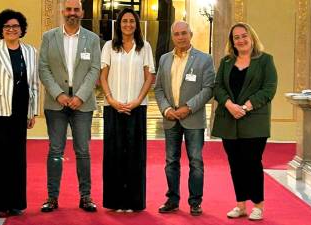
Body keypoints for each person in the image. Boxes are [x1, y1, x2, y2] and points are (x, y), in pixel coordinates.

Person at [0, 9, 39, 218]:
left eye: (15, 27)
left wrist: (33, 111)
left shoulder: (30, 51)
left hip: (19, 112)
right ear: (1, 29)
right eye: (7, 27)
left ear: (22, 30)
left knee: (16, 159)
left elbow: (34, 84)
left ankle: (15, 203)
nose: (12, 30)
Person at [39, 0, 101, 213]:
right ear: (62, 11)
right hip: (56, 104)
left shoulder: (92, 39)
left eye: (76, 9)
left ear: (82, 12)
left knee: (83, 151)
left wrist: (80, 97)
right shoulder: (49, 37)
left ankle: (85, 196)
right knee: (55, 150)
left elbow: (94, 69)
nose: (72, 13)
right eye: (68, 9)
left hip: (82, 105)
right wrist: (59, 94)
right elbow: (43, 69)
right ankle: (52, 197)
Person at [211, 22, 277, 221]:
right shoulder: (226, 61)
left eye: (243, 35)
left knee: (252, 163)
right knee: (235, 164)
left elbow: (269, 88)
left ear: (251, 37)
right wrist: (229, 104)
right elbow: (217, 86)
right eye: (236, 37)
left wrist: (246, 106)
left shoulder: (265, 60)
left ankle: (258, 205)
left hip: (254, 121)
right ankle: (240, 205)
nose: (240, 40)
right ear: (232, 41)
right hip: (228, 120)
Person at [154, 21, 215, 216]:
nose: (181, 37)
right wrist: (166, 109)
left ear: (191, 34)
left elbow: (209, 89)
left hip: (193, 118)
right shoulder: (164, 59)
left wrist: (188, 108)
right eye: (177, 34)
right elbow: (159, 88)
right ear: (172, 37)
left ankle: (195, 202)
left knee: (196, 161)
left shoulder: (204, 59)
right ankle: (172, 199)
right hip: (170, 118)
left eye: (184, 33)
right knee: (171, 161)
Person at [100, 8, 155, 212]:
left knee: (135, 156)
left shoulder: (145, 47)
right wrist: (111, 100)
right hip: (113, 108)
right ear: (119, 24)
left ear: (137, 24)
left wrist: (137, 100)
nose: (128, 25)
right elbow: (103, 76)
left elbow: (149, 76)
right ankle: (115, 202)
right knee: (114, 155)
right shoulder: (109, 47)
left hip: (136, 108)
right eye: (124, 21)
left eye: (132, 21)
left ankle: (133, 202)